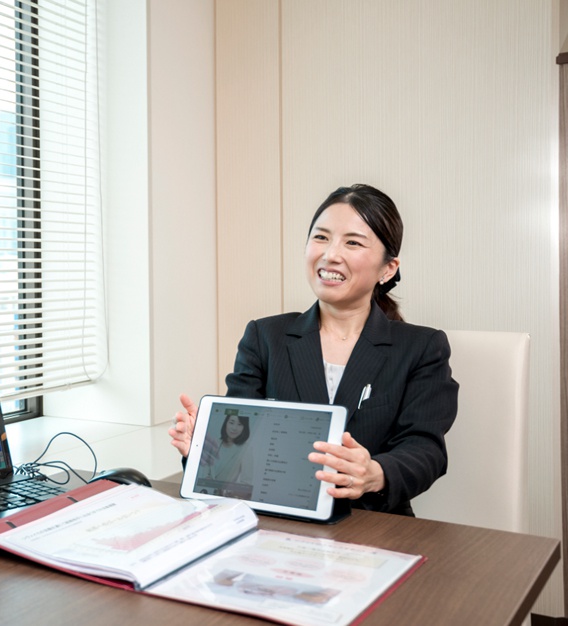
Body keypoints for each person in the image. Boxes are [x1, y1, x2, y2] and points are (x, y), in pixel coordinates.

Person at [169, 184, 458, 516]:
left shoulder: (421, 347)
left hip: (372, 524)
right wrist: (206, 453)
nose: (331, 254)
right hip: (274, 521)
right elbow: (241, 445)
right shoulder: (265, 337)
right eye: (321, 237)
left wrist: (374, 473)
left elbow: (425, 449)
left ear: (388, 268)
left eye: (352, 242)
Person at [198, 413, 253, 491]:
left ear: (244, 428)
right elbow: (206, 472)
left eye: (239, 424)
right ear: (226, 423)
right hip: (205, 492)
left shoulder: (246, 449)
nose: (234, 428)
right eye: (231, 423)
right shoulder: (215, 442)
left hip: (225, 497)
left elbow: (247, 484)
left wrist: (227, 492)